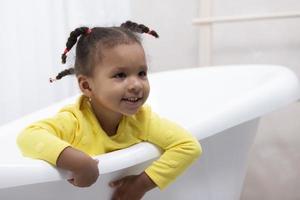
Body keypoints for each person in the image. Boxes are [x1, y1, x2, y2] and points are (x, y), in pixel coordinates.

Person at [17, 21, 202, 200]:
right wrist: (80, 163)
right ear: (87, 85)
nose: (136, 84)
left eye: (141, 73)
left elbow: (188, 146)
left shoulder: (142, 120)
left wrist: (141, 184)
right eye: (120, 75)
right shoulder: (75, 121)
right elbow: (28, 136)